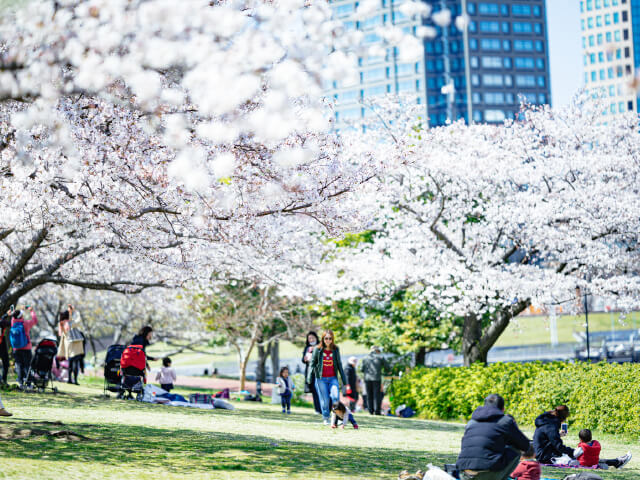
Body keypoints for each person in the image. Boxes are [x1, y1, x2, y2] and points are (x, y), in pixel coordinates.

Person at [456, 393, 531, 480]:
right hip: (487, 474)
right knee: (516, 449)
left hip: (464, 474)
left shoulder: (471, 422)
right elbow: (525, 445)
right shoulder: (505, 421)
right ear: (503, 409)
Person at [306, 329, 347, 425]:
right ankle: (326, 417)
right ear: (322, 339)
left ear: (332, 339)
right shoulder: (318, 349)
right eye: (326, 338)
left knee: (335, 397)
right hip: (321, 379)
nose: (328, 340)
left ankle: (339, 417)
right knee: (325, 400)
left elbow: (339, 364)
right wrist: (309, 376)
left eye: (330, 338)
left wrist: (344, 378)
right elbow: (312, 363)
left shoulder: (336, 349)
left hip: (333, 378)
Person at [10, 307, 37, 389]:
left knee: (19, 365)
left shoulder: (13, 323)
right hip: (26, 348)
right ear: (21, 316)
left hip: (16, 349)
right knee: (27, 365)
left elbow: (13, 316)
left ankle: (21, 382)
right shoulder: (25, 324)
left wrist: (14, 311)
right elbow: (34, 320)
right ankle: (28, 383)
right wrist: (31, 311)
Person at [57, 305, 84, 385]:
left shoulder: (61, 324)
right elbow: (78, 320)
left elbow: (60, 334)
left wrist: (70, 312)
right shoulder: (70, 323)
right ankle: (75, 380)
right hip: (76, 344)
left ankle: (69, 379)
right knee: (76, 363)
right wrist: (75, 311)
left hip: (68, 345)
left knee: (70, 363)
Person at [360, 345, 389, 415]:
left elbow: (362, 369)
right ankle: (377, 411)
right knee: (377, 395)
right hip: (377, 378)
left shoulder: (365, 358)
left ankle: (370, 411)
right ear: (377, 350)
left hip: (367, 378)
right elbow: (387, 367)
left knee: (369, 395)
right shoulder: (381, 357)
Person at [301, 331, 322, 415]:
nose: (311, 339)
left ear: (316, 338)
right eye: (309, 338)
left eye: (312, 338)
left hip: (319, 372)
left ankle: (324, 408)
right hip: (310, 372)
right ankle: (317, 409)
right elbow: (303, 360)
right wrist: (305, 359)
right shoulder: (307, 347)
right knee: (314, 391)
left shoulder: (320, 346)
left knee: (320, 390)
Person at [0, 313, 11, 385]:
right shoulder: (2, 322)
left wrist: (7, 314)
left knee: (6, 363)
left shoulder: (2, 321)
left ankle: (3, 380)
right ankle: (3, 380)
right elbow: (10, 323)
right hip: (1, 344)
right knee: (6, 363)